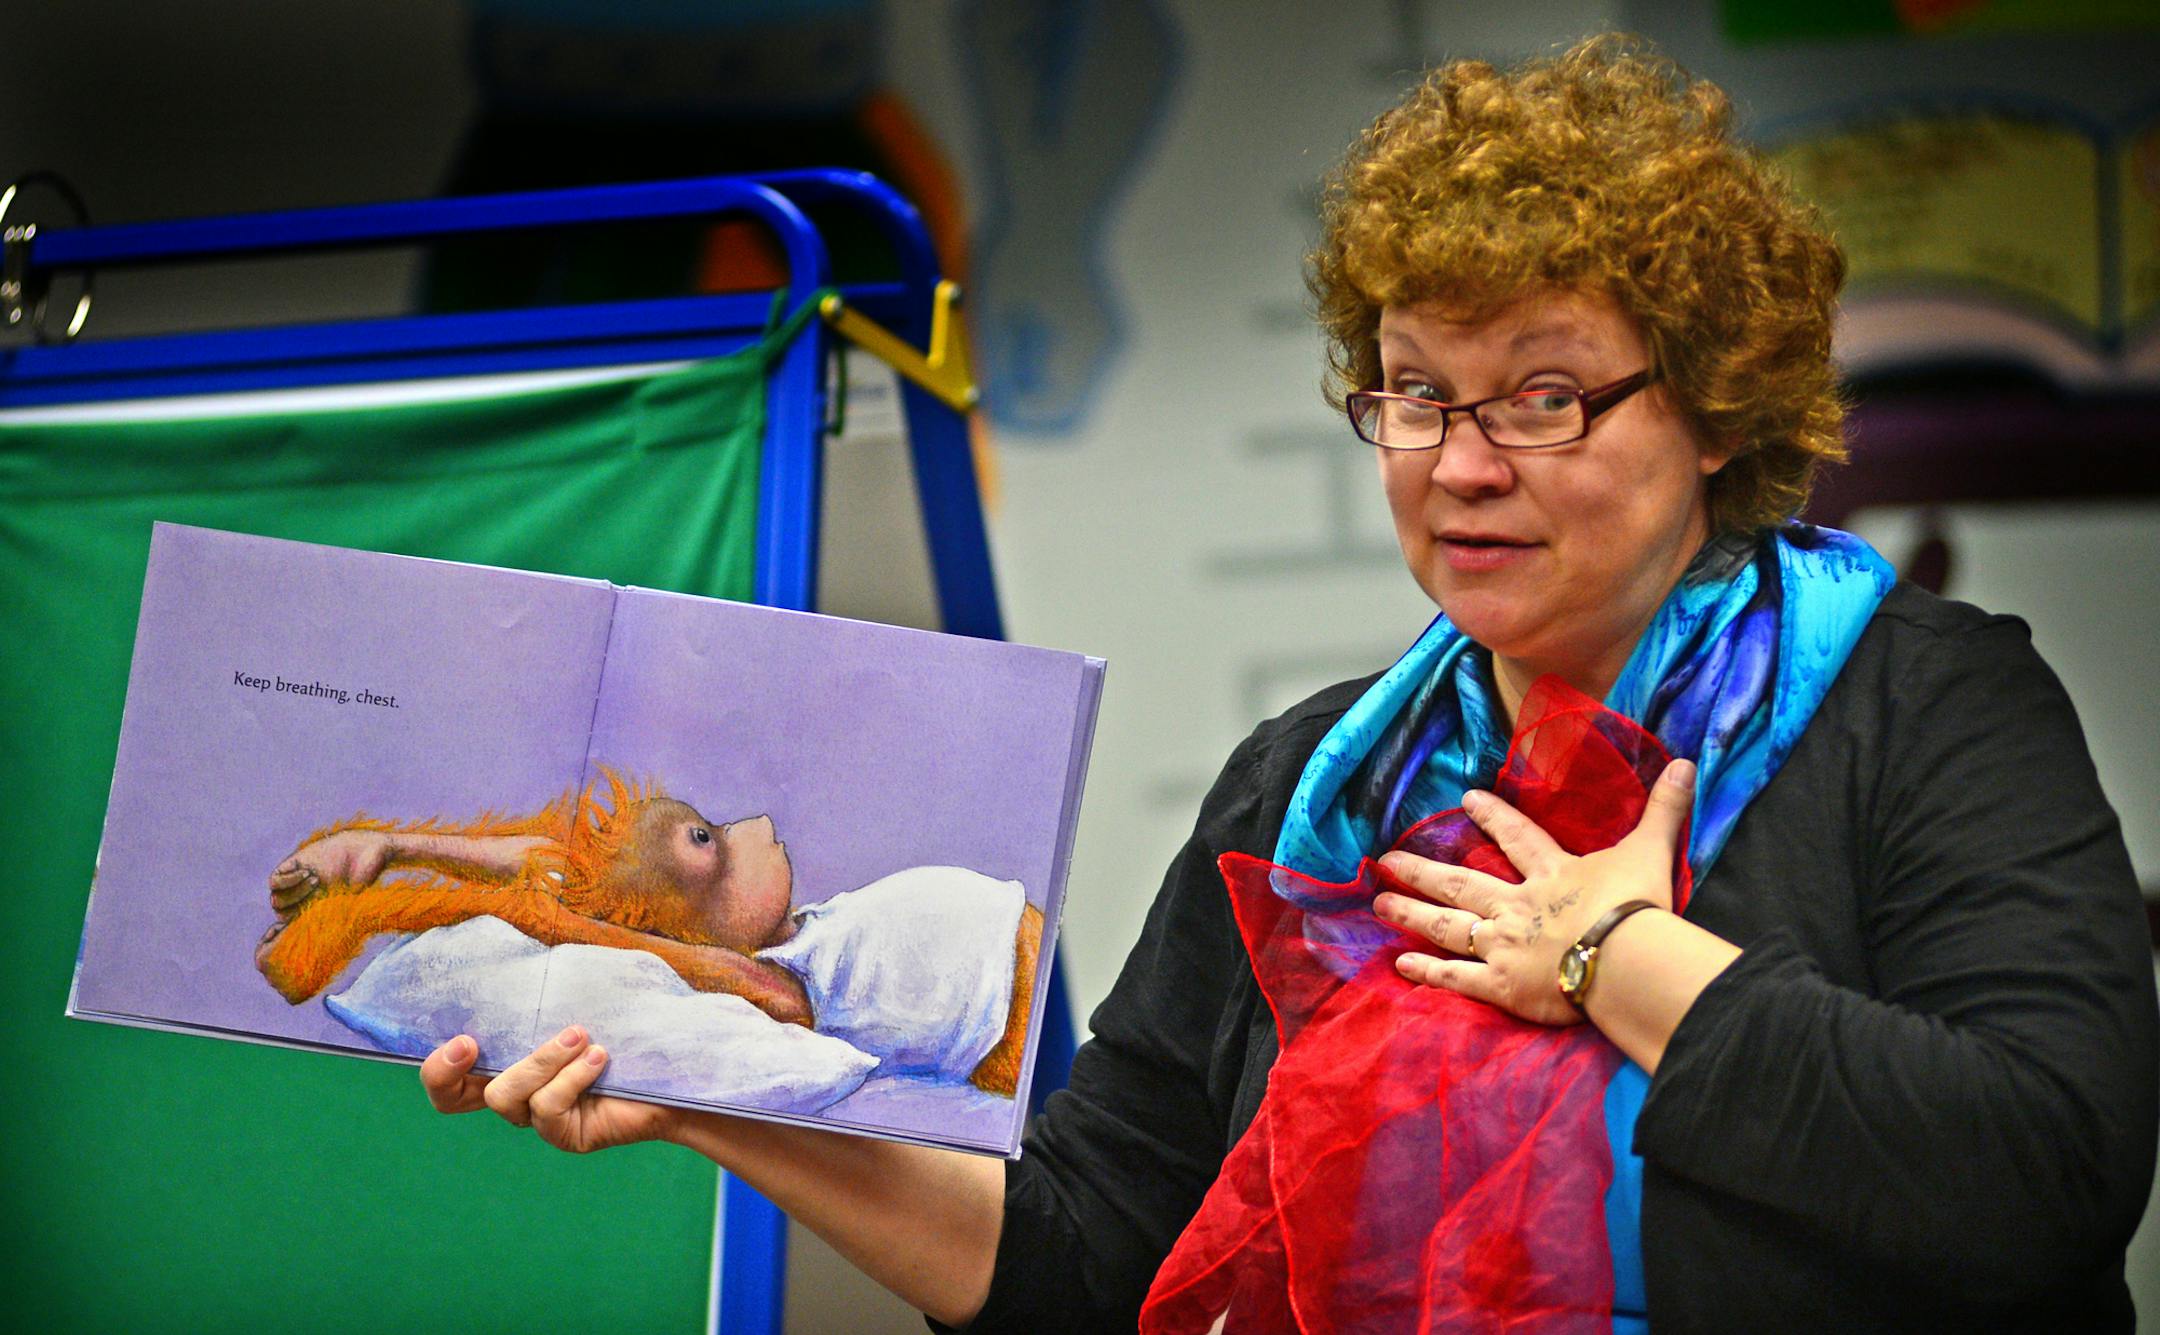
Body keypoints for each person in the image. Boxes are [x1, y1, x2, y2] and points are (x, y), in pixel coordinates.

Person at [418, 34, 2159, 1331]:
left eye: (1542, 396)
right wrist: (733, 1095)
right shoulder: (1314, 786)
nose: (1460, 463)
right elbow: (1097, 1256)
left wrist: (1621, 962)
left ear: (1710, 412)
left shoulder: (1922, 704)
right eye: (1414, 392)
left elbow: (2050, 1184)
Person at [267, 769, 1043, 1095]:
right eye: (707, 841)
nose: (755, 826)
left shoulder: (781, 938)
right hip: (1009, 1010)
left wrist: (394, 846)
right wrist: (558, 923)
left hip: (1021, 961)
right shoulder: (751, 974)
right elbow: (589, 906)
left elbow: (562, 865)